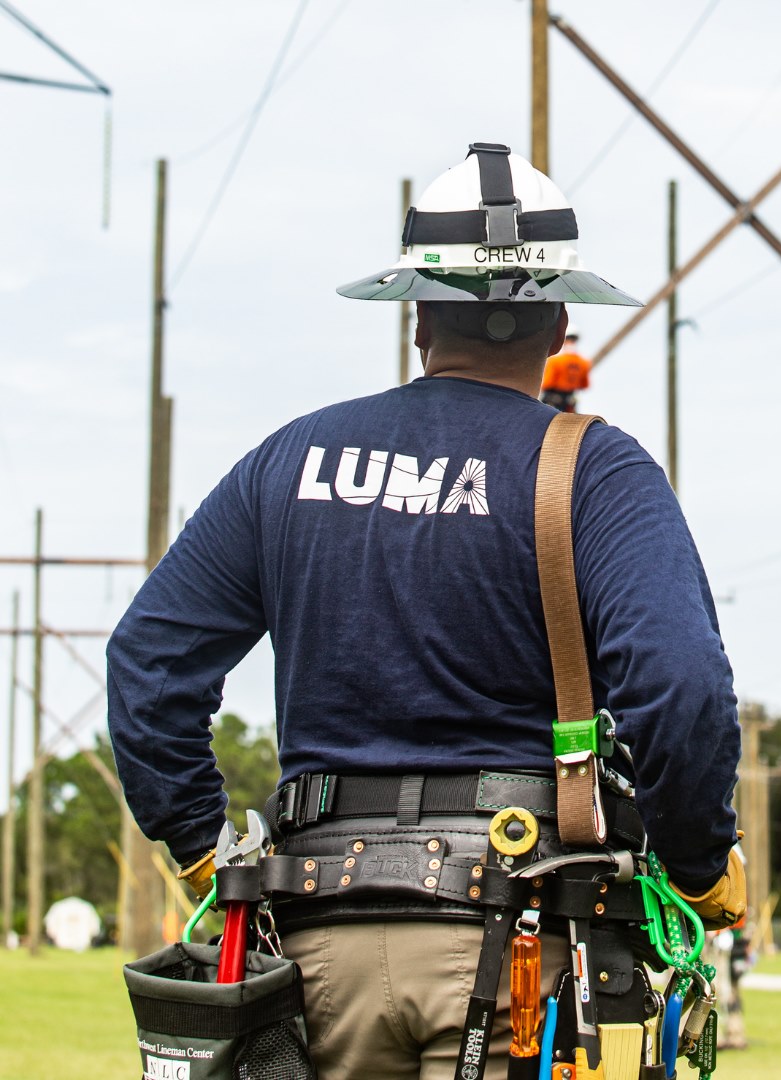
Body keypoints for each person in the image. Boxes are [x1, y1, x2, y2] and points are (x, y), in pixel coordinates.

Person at [107, 142, 743, 1080]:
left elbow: (148, 670)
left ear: (416, 317)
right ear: (561, 319)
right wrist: (696, 864)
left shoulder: (290, 463)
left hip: (311, 949)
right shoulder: (597, 472)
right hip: (522, 953)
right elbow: (680, 687)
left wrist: (204, 850)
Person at [540, 324, 592, 411]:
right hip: (570, 403)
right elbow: (585, 385)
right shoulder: (584, 362)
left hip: (553, 402)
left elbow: (547, 383)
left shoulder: (555, 361)